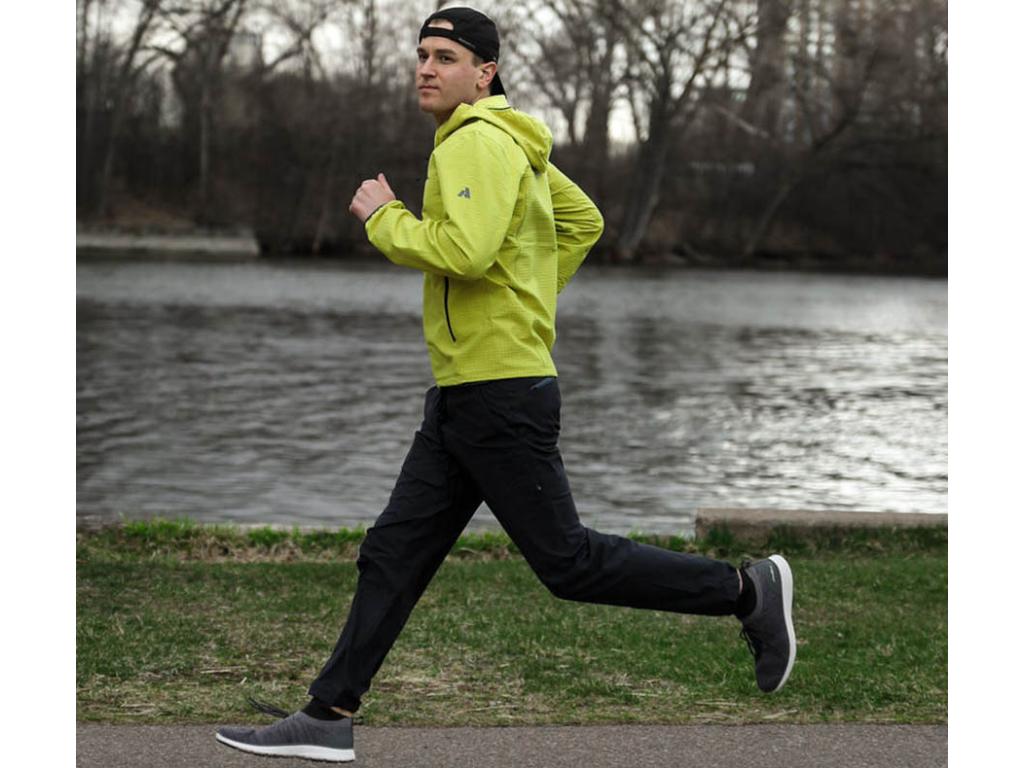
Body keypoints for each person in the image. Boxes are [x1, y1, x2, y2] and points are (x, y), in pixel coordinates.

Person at [215, 7, 796, 763]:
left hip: (497, 394)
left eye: (446, 56)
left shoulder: (475, 143)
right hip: (471, 390)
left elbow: (464, 249)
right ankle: (327, 714)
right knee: (394, 552)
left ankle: (747, 592)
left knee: (568, 564)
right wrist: (525, 301)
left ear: (484, 73)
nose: (426, 68)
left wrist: (384, 216)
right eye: (421, 54)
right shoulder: (508, 145)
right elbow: (581, 221)